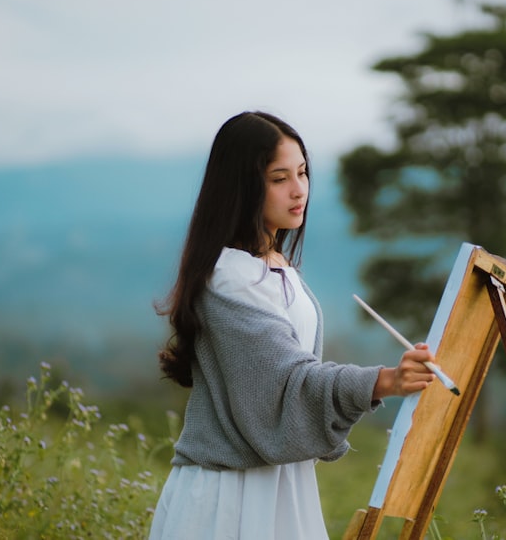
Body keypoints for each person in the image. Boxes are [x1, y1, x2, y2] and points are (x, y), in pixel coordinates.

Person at [149, 111, 435, 540]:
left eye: (302, 173)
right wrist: (383, 381)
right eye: (279, 178)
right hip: (230, 500)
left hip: (283, 488)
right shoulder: (230, 279)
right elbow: (285, 382)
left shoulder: (274, 267)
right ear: (243, 187)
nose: (299, 189)